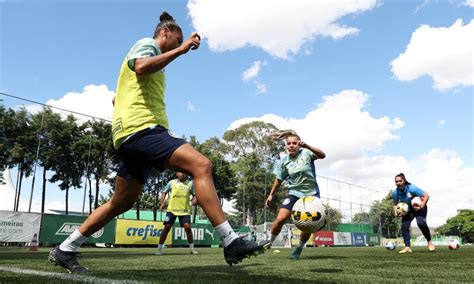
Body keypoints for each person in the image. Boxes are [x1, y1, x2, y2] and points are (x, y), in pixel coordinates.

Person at [48, 11, 270, 273]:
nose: (178, 45)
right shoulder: (147, 44)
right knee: (202, 166)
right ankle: (230, 240)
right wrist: (183, 49)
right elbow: (141, 67)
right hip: (142, 129)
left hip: (127, 134)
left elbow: (117, 97)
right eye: (176, 40)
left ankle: (65, 249)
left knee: (120, 203)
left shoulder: (149, 61)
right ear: (164, 33)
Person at [265, 130, 325, 260]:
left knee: (307, 226)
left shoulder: (307, 153)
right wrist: (271, 195)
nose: (291, 145)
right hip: (294, 194)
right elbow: (279, 179)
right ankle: (269, 242)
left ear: (299, 144)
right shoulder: (284, 161)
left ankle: (299, 249)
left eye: (294, 143)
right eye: (289, 143)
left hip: (311, 195)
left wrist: (307, 146)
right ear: (286, 146)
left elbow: (323, 155)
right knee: (280, 219)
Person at [156, 172, 198, 255]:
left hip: (184, 211)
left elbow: (195, 194)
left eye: (184, 173)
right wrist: (162, 202)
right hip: (172, 210)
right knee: (167, 227)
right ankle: (159, 249)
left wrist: (194, 200)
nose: (183, 174)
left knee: (187, 227)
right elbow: (164, 192)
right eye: (181, 172)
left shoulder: (189, 183)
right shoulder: (171, 183)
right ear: (177, 174)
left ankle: (192, 249)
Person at [392, 173, 435, 253]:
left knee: (421, 223)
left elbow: (426, 195)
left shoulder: (412, 188)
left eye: (400, 181)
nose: (398, 183)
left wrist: (422, 205)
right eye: (396, 181)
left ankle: (429, 242)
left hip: (420, 207)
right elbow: (395, 204)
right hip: (408, 209)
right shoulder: (395, 193)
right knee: (404, 226)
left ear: (404, 180)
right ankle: (407, 247)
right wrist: (396, 212)